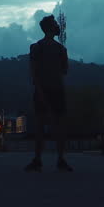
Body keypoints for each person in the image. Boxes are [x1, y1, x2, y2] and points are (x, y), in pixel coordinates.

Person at [25, 15, 71, 172]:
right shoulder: (42, 48)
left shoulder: (56, 48)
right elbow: (63, 70)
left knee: (52, 125)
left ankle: (48, 159)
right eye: (54, 24)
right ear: (49, 28)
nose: (57, 26)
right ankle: (47, 159)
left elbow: (63, 70)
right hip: (48, 89)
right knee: (46, 125)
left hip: (51, 89)